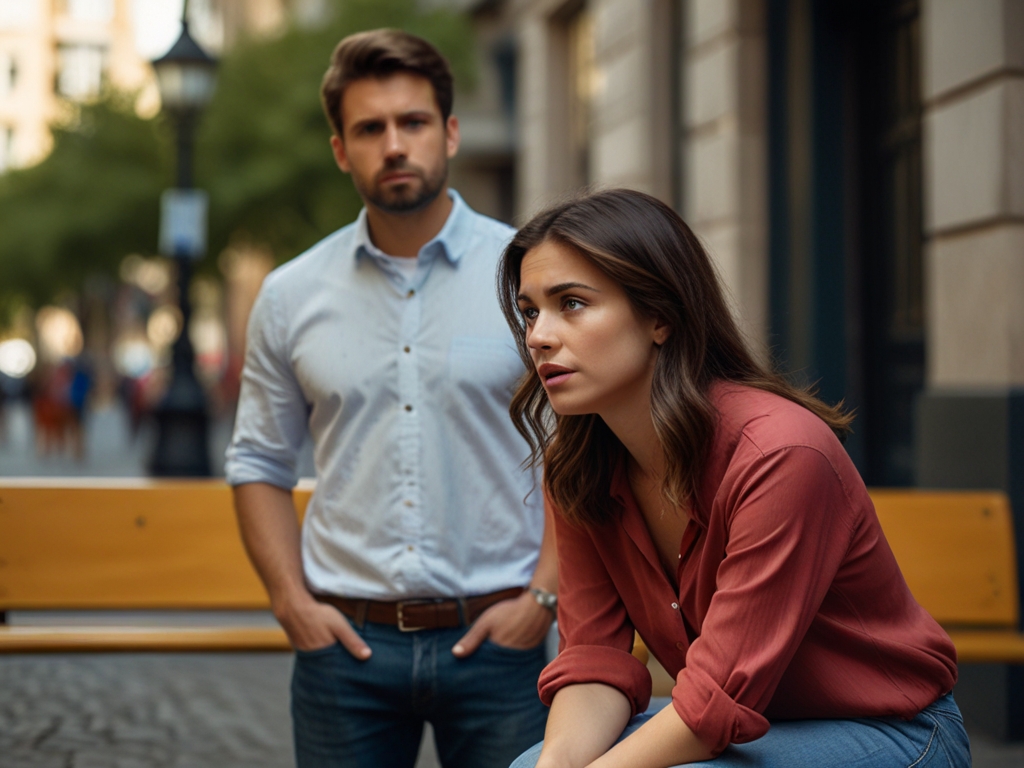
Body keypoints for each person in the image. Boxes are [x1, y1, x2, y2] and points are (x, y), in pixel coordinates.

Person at [496, 189, 969, 768]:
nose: (538, 336)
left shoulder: (779, 454)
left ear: (660, 317)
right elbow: (595, 659)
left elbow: (713, 700)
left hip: (892, 730)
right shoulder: (580, 466)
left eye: (571, 303)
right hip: (748, 729)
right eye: (529, 311)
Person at [225, 29, 555, 768]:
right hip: (346, 652)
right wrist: (290, 601)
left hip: (503, 641)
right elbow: (257, 461)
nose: (394, 144)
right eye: (370, 128)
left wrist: (544, 597)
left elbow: (580, 445)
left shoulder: (527, 275)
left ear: (451, 132)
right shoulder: (290, 294)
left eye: (413, 122)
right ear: (341, 149)